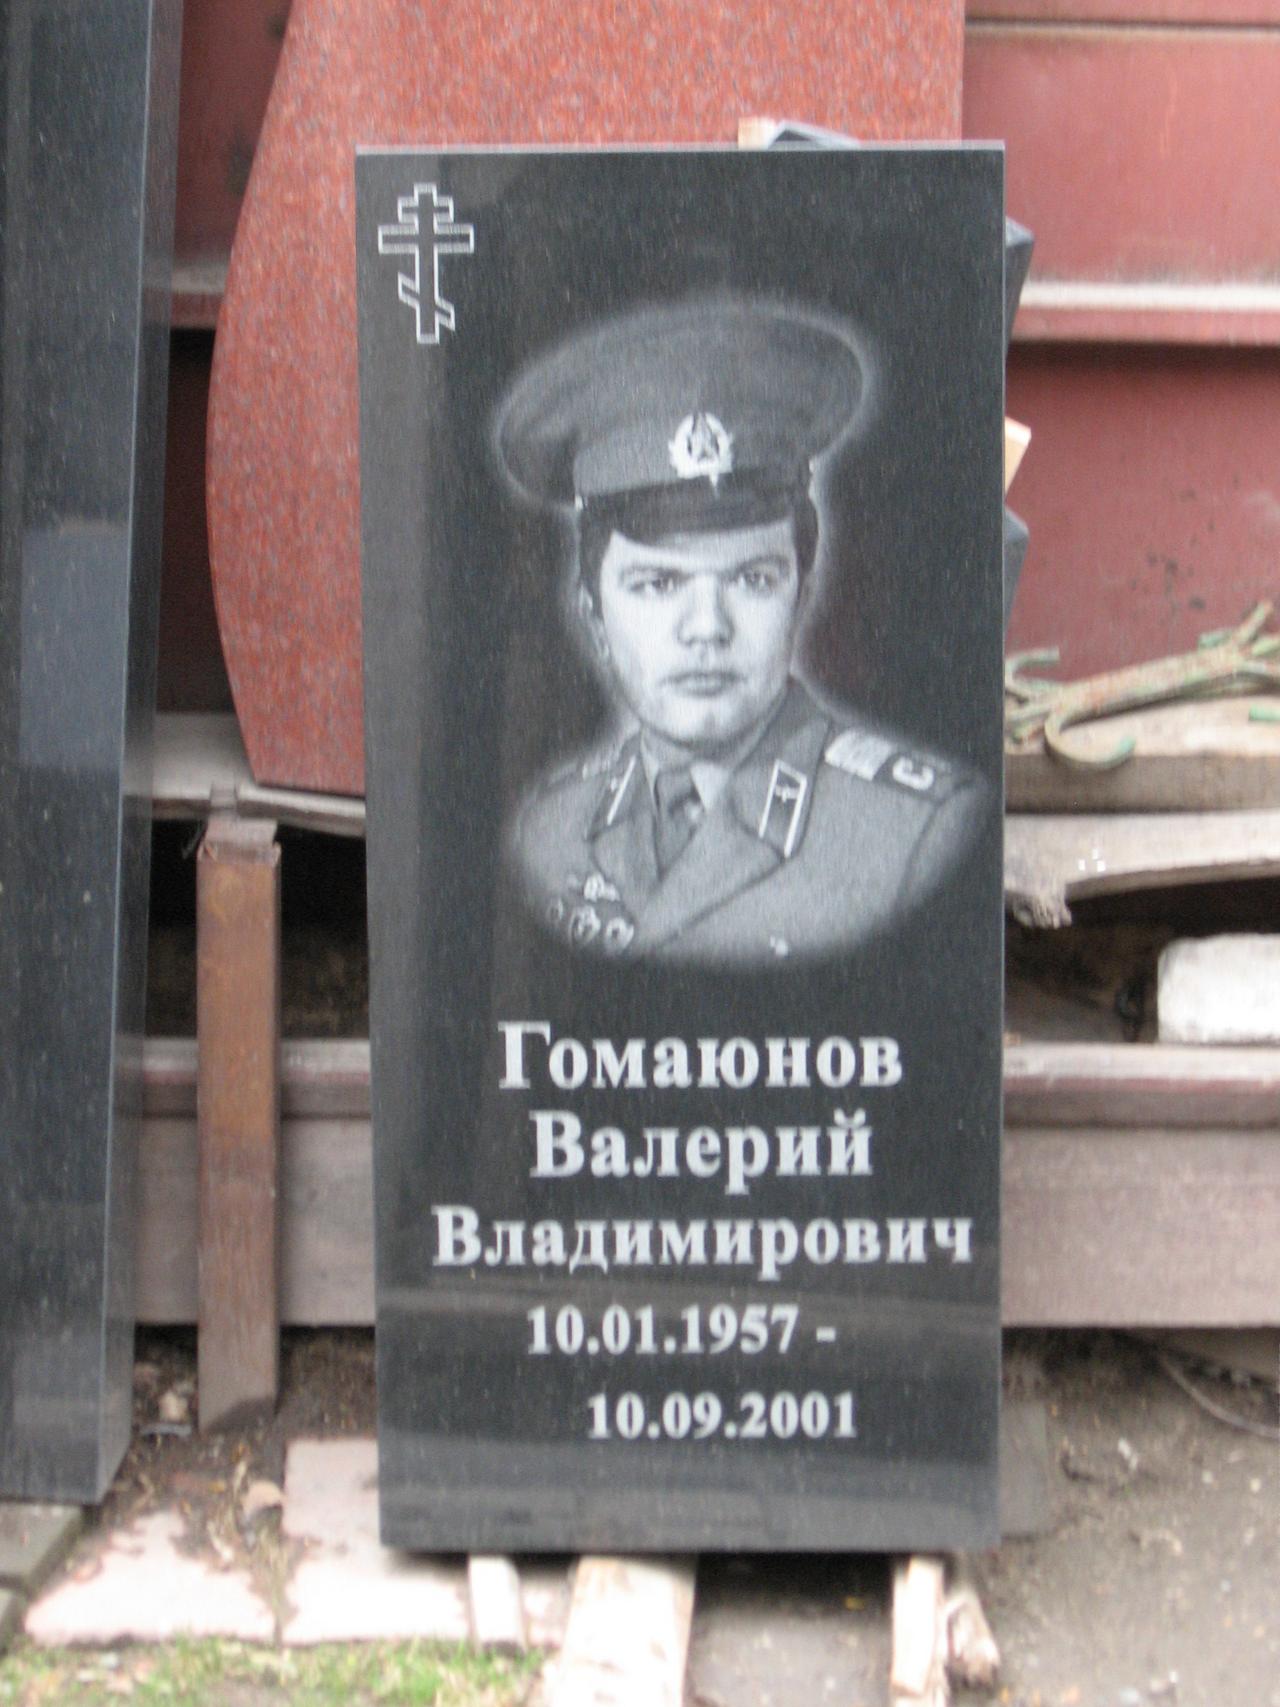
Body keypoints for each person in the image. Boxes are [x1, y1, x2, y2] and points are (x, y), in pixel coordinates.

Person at [493, 295, 987, 965]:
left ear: (800, 595)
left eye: (752, 579)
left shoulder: (921, 834)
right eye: (657, 584)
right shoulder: (552, 828)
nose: (707, 628)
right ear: (593, 614)